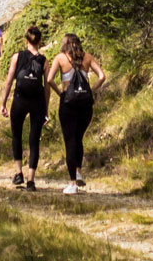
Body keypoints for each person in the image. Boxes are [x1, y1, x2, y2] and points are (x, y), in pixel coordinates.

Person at [47, 32, 105, 192]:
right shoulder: (87, 57)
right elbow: (102, 76)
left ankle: (72, 183)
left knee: (70, 141)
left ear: (65, 44)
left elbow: (49, 79)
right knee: (78, 138)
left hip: (68, 103)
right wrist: (91, 91)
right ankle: (78, 172)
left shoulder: (60, 58)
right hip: (86, 104)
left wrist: (60, 93)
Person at [0, 24, 50, 190]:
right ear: (40, 41)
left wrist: (3, 102)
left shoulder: (17, 57)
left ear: (26, 39)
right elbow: (47, 86)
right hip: (37, 102)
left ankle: (18, 173)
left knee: (17, 135)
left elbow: (9, 82)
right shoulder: (44, 61)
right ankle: (31, 180)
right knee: (34, 139)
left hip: (20, 100)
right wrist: (46, 109)